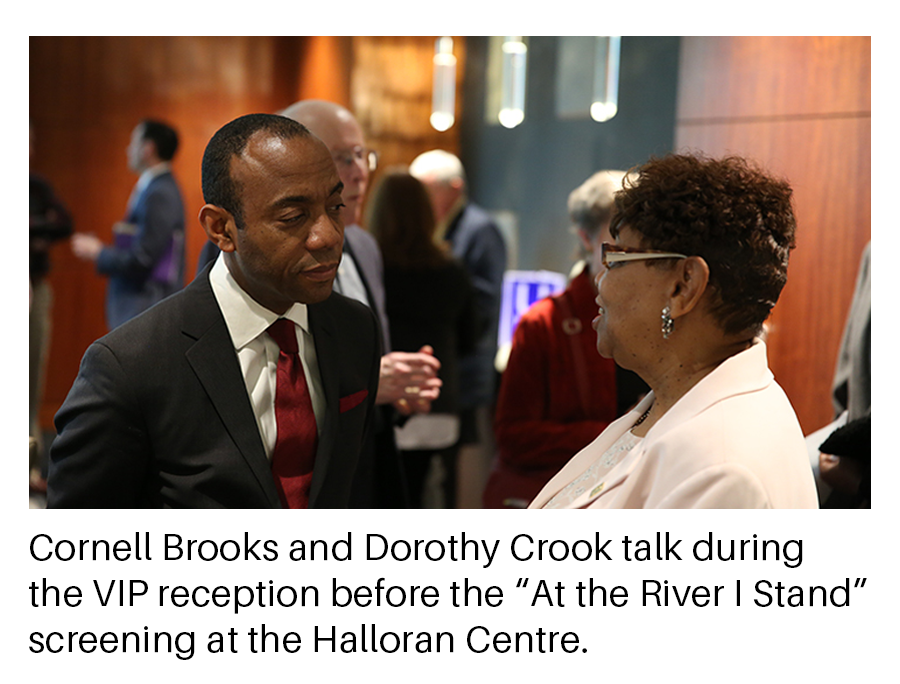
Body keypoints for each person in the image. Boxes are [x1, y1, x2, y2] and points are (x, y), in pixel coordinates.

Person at [48, 113, 384, 508]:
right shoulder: (132, 365)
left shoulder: (354, 328)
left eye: (335, 206)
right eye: (293, 218)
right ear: (222, 229)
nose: (327, 235)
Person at [529, 153, 818, 509]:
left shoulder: (722, 468)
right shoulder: (672, 400)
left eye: (617, 259)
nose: (600, 283)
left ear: (684, 286)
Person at [484, 170, 647, 508]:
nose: (632, 251)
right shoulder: (543, 323)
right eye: (618, 236)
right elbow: (513, 436)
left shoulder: (658, 314)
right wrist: (616, 434)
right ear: (587, 239)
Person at [366, 169, 478, 507]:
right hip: (438, 398)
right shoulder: (451, 270)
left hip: (386, 403)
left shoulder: (371, 270)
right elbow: (470, 338)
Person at [409, 149, 507, 507]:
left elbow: (482, 307)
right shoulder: (435, 227)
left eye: (427, 189)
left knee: (460, 482)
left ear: (454, 187)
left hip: (466, 374)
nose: (420, 199)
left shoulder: (479, 229)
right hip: (441, 371)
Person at [72, 119, 185, 330]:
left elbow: (144, 257)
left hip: (146, 305)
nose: (128, 149)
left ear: (148, 148)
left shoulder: (160, 192)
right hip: (141, 305)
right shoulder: (154, 186)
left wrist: (99, 252)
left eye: (133, 142)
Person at [29, 121, 73, 490]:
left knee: (30, 372)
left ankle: (27, 462)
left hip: (34, 284)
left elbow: (64, 223)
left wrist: (32, 229)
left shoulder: (36, 186)